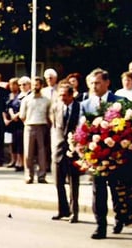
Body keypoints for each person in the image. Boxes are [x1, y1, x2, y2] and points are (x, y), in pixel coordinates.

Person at [80, 68, 124, 239]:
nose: (94, 86)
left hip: (115, 154)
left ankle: (120, 217)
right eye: (91, 83)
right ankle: (100, 225)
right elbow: (81, 130)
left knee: (116, 189)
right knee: (98, 190)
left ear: (107, 83)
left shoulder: (119, 102)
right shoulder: (85, 104)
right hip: (96, 156)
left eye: (97, 83)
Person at [50, 82, 81, 222]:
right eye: (60, 95)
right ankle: (63, 210)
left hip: (73, 150)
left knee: (73, 183)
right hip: (58, 149)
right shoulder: (56, 107)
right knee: (58, 182)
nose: (61, 98)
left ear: (71, 95)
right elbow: (55, 127)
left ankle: (74, 212)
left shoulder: (79, 107)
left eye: (64, 95)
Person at [19, 76, 51, 183]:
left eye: (37, 85)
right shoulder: (26, 100)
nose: (35, 87)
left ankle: (42, 176)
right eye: (33, 85)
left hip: (42, 126)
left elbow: (49, 114)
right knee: (28, 153)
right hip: (29, 126)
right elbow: (22, 115)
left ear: (41, 86)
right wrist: (28, 124)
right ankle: (29, 175)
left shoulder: (47, 100)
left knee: (42, 152)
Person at [4, 77, 24, 171]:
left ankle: (20, 161)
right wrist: (5, 119)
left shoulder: (21, 96)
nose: (12, 86)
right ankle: (13, 159)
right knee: (11, 142)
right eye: (10, 84)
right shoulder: (8, 96)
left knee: (19, 142)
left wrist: (14, 117)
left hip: (18, 122)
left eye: (14, 84)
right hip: (9, 122)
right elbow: (5, 108)